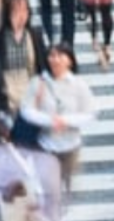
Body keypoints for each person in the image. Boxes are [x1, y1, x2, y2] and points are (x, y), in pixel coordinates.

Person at [18, 43, 96, 196]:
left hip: (71, 146)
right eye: (52, 56)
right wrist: (49, 120)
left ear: (69, 61)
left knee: (68, 189)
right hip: (46, 145)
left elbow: (91, 112)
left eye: (60, 56)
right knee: (50, 190)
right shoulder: (38, 82)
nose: (55, 60)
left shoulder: (78, 84)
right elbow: (26, 110)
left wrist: (66, 121)